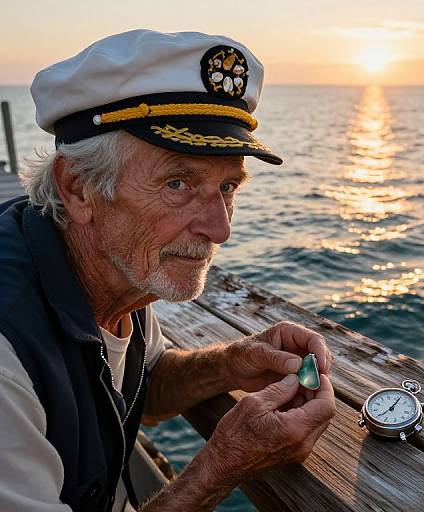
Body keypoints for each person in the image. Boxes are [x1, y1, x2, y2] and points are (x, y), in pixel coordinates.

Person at [0, 29, 336, 512]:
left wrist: (232, 362)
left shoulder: (118, 271)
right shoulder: (8, 359)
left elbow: (145, 383)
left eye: (228, 187)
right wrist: (223, 466)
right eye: (178, 183)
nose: (219, 229)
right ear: (77, 188)